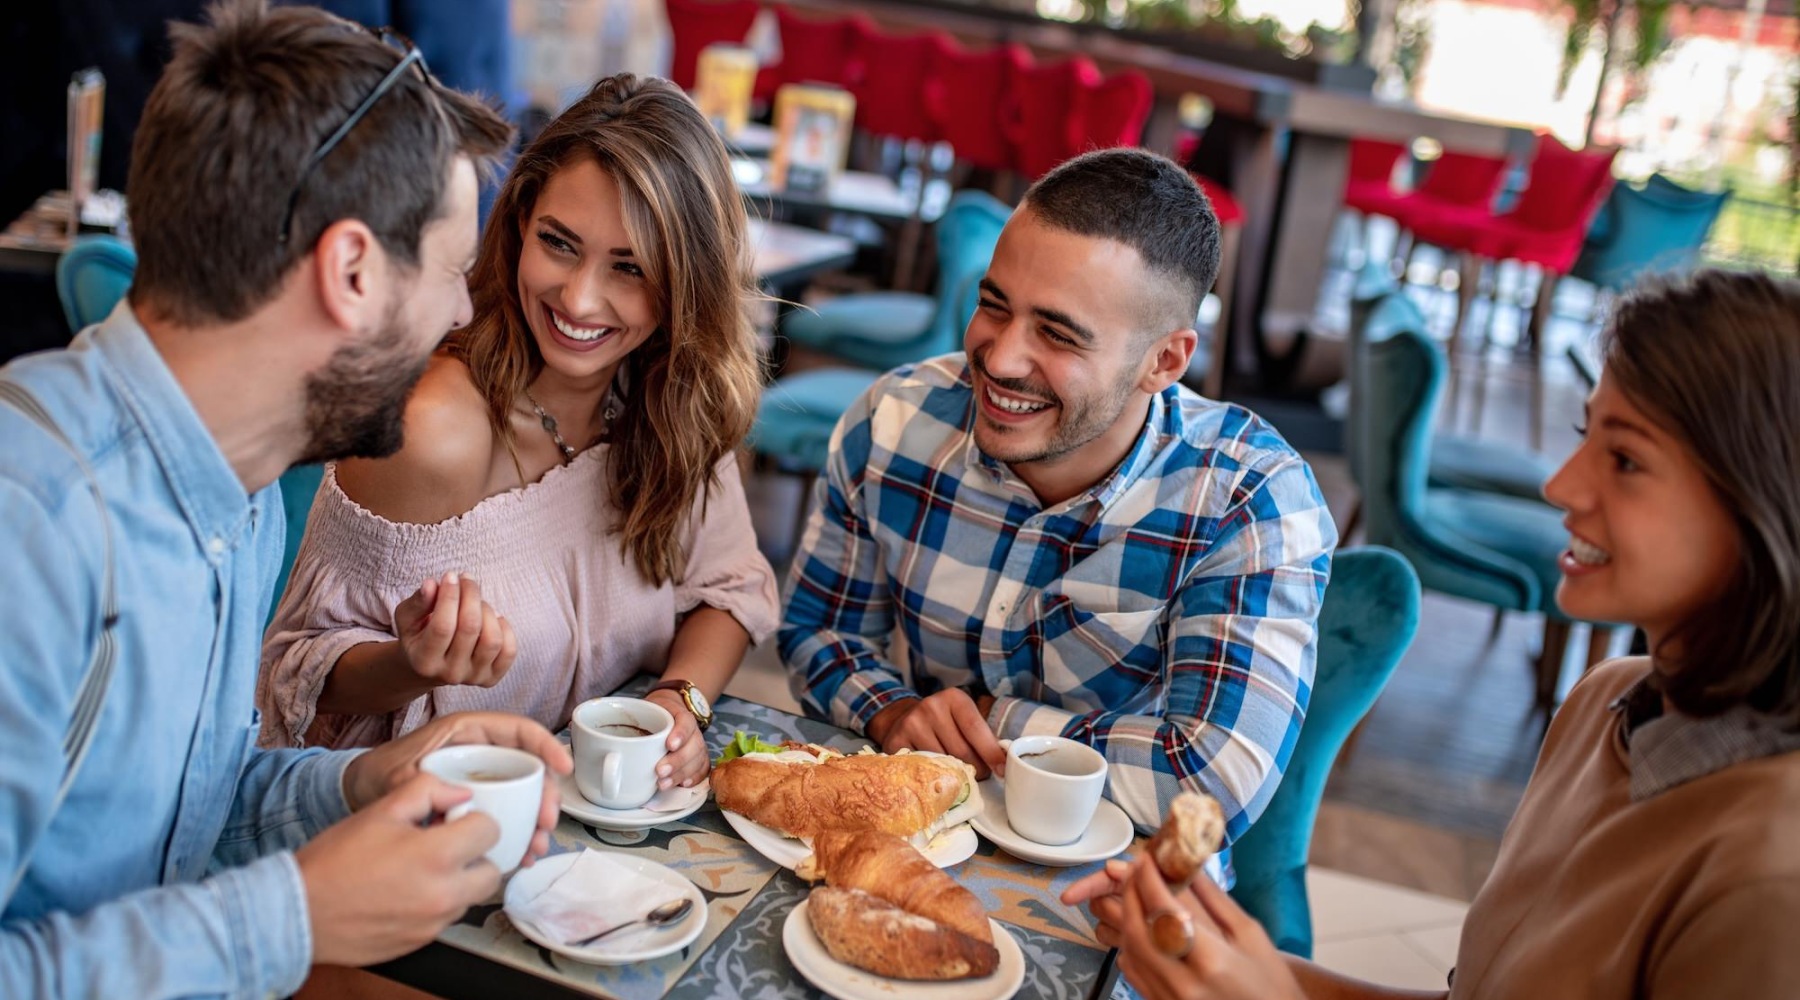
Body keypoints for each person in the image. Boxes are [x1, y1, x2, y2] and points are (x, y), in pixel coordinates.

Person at [0, 3, 576, 997]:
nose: (462, 311)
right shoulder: (32, 524)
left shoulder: (244, 491)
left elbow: (180, 817)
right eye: (449, 271)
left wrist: (362, 782)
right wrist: (292, 916)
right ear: (351, 271)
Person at [1069, 269, 1800, 999]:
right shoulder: (1606, 703)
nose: (1563, 487)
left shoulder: (1769, 876)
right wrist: (1226, 960)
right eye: (1586, 436)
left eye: (1627, 461)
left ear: (1766, 500)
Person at [778, 147, 1337, 868]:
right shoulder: (894, 419)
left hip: (1112, 895)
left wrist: (984, 722)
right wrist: (891, 709)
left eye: (1058, 334)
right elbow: (817, 630)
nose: (1002, 358)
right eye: (992, 306)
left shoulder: (1248, 499)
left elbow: (1209, 784)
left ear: (1163, 362)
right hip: (905, 840)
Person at [258, 73, 777, 794]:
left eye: (630, 268)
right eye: (559, 244)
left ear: (688, 283)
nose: (579, 298)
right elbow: (293, 678)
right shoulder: (432, 430)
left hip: (588, 837)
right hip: (414, 836)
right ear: (521, 220)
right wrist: (413, 664)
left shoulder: (672, 404)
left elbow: (727, 590)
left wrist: (679, 700)